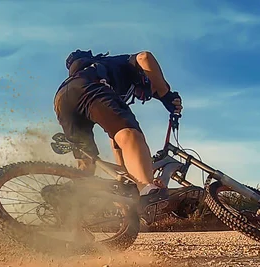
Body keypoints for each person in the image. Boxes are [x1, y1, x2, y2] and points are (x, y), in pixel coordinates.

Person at [53, 49, 183, 224]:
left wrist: (127, 178)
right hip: (90, 88)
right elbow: (145, 57)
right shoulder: (120, 66)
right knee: (131, 134)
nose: (146, 95)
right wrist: (166, 93)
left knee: (86, 166)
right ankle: (148, 193)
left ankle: (73, 224)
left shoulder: (100, 77)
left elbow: (117, 142)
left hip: (62, 100)